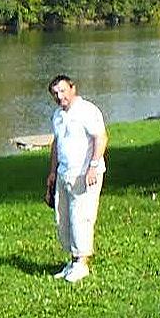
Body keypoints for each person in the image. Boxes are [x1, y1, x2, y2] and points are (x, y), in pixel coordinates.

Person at [45, 75, 108, 283]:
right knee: (64, 219)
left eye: (63, 91)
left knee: (81, 217)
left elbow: (101, 137)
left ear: (73, 88)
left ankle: (82, 264)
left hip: (85, 175)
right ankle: (73, 261)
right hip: (64, 174)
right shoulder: (58, 116)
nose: (59, 96)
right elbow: (56, 144)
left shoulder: (87, 111)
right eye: (55, 93)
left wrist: (94, 165)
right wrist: (52, 173)